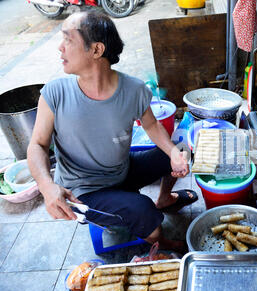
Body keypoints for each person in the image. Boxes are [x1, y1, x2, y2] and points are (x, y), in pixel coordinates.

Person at [27, 11, 197, 252]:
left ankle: (165, 199)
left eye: (68, 40)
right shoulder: (55, 93)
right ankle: (163, 243)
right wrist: (46, 185)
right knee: (143, 209)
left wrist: (172, 152)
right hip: (84, 191)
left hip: (121, 170)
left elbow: (151, 125)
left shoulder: (133, 89)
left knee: (182, 149)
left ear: (96, 50)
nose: (60, 47)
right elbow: (37, 146)